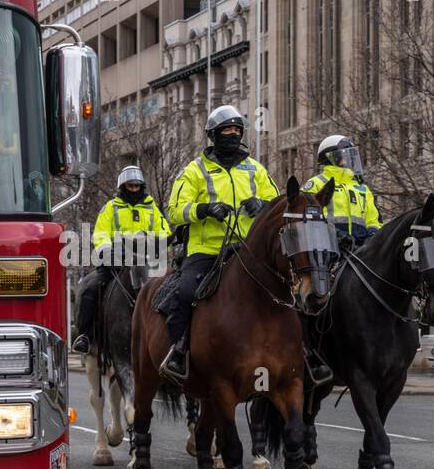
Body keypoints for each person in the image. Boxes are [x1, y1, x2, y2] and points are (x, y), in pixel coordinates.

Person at [160, 104, 278, 381]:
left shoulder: (255, 169)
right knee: (186, 291)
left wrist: (262, 205)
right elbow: (175, 210)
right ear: (213, 135)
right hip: (207, 250)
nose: (233, 134)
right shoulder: (194, 170)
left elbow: (276, 204)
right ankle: (179, 351)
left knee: (286, 289)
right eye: (227, 130)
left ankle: (301, 352)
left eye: (237, 130)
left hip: (249, 251)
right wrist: (204, 210)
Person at [72, 165, 169, 355]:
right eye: (130, 186)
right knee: (90, 288)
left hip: (146, 263)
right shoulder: (111, 208)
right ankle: (85, 335)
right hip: (115, 263)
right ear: (122, 187)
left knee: (172, 289)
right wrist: (110, 254)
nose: (134, 189)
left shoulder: (152, 209)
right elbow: (100, 234)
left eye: (137, 186)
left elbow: (164, 233)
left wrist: (154, 247)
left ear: (142, 187)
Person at [303, 133, 381, 248]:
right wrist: (336, 235)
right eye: (345, 155)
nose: (350, 160)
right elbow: (306, 218)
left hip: (360, 250)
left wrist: (372, 236)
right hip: (327, 248)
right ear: (331, 158)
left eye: (351, 156)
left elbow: (374, 219)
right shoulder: (316, 184)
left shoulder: (362, 188)